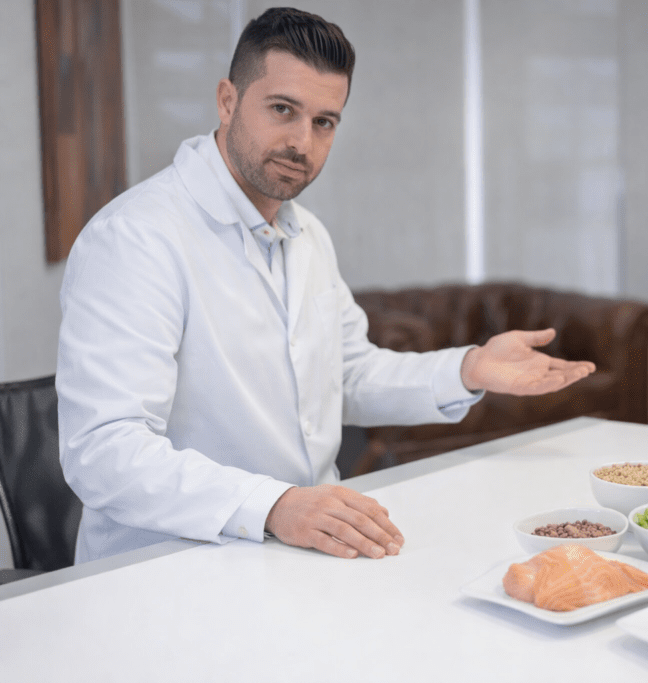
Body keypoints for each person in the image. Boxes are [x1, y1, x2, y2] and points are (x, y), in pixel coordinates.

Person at [57, 8, 595, 564]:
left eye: (324, 122)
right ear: (227, 100)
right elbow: (103, 452)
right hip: (165, 568)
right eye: (282, 110)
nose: (301, 143)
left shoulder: (307, 234)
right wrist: (274, 506)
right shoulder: (135, 238)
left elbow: (347, 376)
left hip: (298, 550)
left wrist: (468, 369)